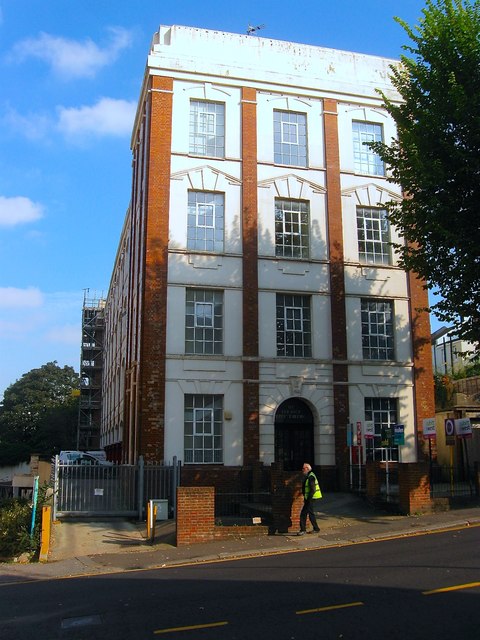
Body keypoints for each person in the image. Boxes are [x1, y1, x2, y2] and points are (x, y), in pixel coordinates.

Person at [298, 463, 322, 535]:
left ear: (307, 469)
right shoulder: (309, 475)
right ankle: (316, 528)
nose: (302, 470)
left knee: (303, 514)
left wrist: (308, 499)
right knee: (310, 513)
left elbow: (313, 489)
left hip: (310, 498)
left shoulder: (311, 477)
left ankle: (303, 530)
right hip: (310, 498)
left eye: (303, 468)